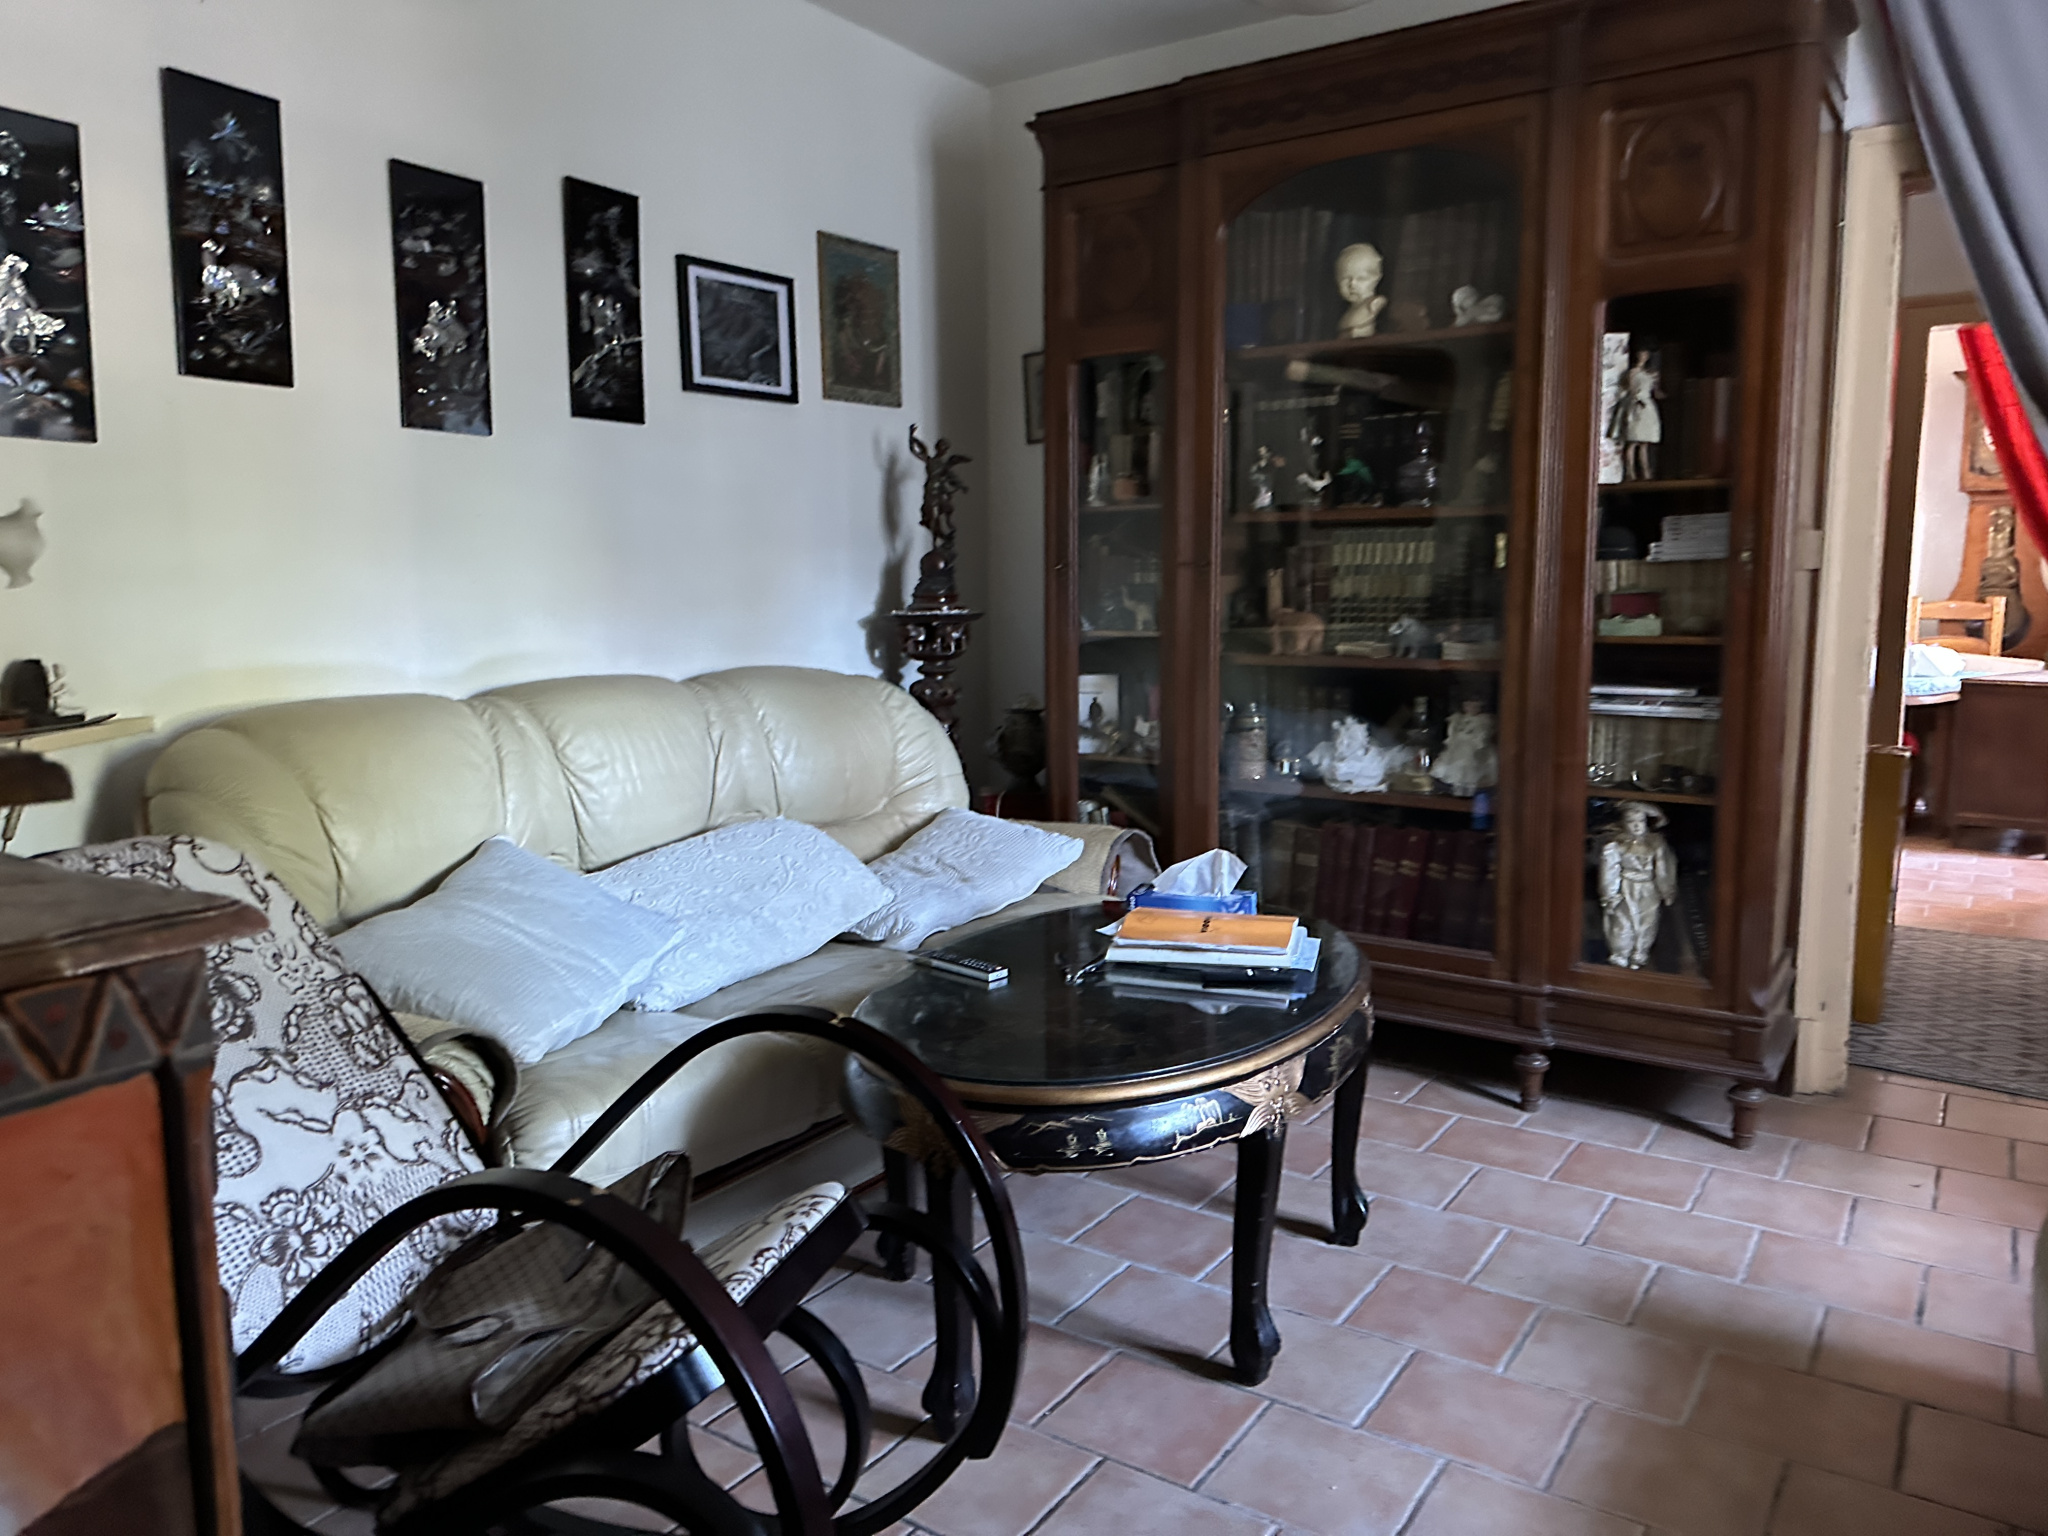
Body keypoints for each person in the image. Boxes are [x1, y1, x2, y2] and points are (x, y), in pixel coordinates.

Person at [1598, 800, 1676, 969]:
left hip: (1648, 888)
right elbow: (1610, 869)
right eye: (1631, 822)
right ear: (1623, 823)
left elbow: (1663, 869)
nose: (1636, 826)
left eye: (1640, 821)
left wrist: (1666, 890)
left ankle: (1640, 953)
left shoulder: (1656, 843)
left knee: (1647, 921)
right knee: (1623, 921)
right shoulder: (1616, 845)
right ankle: (1621, 953)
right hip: (1626, 887)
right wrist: (1610, 894)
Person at [1334, 243, 1387, 338]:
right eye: (1345, 279)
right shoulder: (1343, 311)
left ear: (1376, 279)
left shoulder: (1373, 304)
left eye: (1361, 278)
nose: (1352, 284)